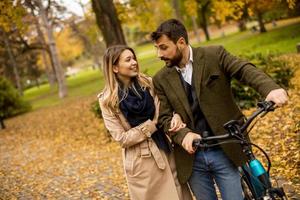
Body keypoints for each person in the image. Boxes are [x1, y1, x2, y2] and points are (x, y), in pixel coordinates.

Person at [150, 19, 288, 200]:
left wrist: (270, 89)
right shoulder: (160, 79)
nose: (159, 54)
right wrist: (184, 135)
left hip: (225, 149)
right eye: (157, 48)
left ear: (181, 42)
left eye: (163, 47)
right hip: (193, 159)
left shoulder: (214, 55)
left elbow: (243, 69)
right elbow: (165, 118)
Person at [98, 45, 192, 200]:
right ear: (115, 68)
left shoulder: (148, 84)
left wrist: (176, 115)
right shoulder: (108, 101)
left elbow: (166, 110)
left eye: (134, 58)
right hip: (141, 162)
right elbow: (122, 139)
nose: (134, 62)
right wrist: (152, 125)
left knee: (180, 194)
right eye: (128, 60)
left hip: (166, 149)